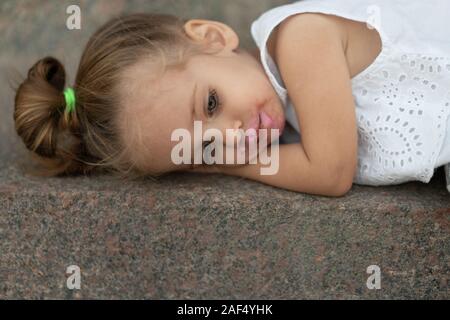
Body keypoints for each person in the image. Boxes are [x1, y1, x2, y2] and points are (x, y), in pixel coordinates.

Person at [13, 0, 450, 197]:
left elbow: (332, 171)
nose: (231, 137)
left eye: (210, 105)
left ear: (213, 36)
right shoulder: (289, 109)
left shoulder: (300, 40)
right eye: (204, 146)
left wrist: (222, 162)